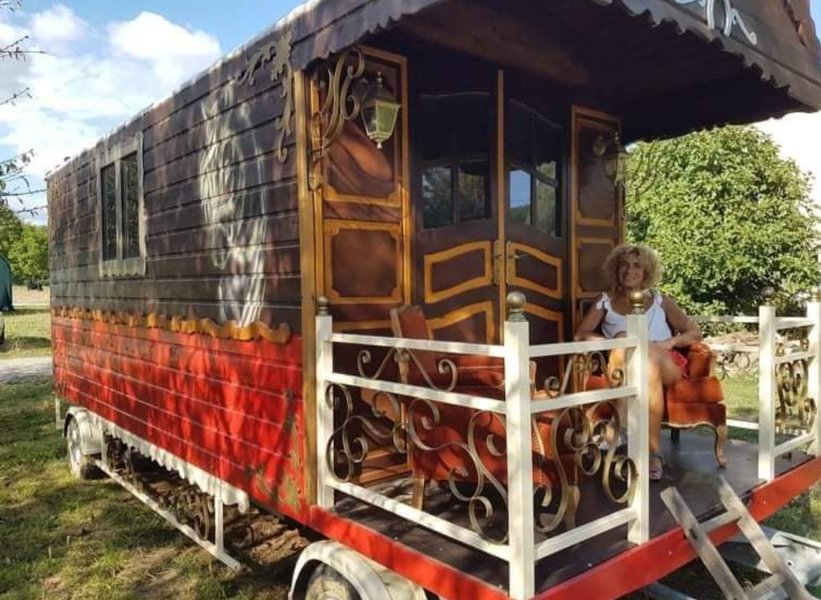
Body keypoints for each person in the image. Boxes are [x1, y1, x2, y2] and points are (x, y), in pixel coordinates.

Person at [575, 243, 703, 481]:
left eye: (636, 266)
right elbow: (581, 335)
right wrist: (614, 341)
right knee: (636, 354)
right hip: (626, 363)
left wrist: (670, 343)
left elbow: (695, 333)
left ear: (646, 272)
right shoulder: (604, 301)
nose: (629, 270)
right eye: (624, 265)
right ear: (616, 270)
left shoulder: (659, 300)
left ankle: (618, 426)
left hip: (666, 360)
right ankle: (654, 453)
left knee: (646, 356)